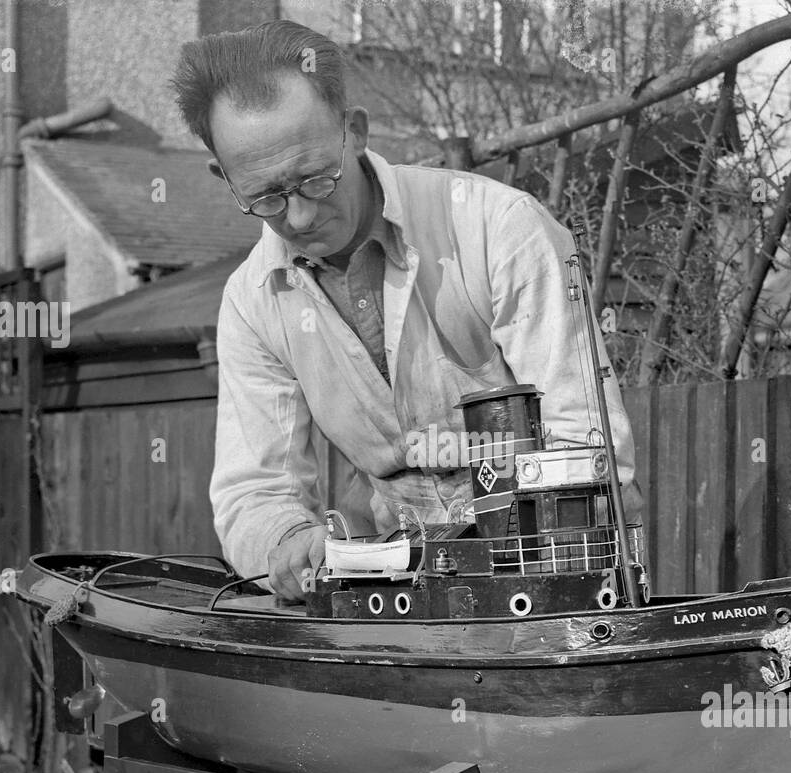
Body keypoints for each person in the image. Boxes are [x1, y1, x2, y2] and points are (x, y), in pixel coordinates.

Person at [171, 20, 643, 602]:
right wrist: (292, 541)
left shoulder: (497, 229)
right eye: (265, 197)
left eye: (317, 179)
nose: (297, 218)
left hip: (557, 585)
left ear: (356, 131)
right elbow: (256, 491)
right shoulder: (252, 303)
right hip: (389, 602)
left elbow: (582, 442)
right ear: (225, 179)